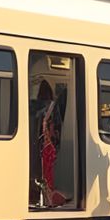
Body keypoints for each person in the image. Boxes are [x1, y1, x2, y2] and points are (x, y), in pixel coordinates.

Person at [33, 79, 68, 209]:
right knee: (50, 174)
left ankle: (46, 198)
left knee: (44, 173)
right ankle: (50, 199)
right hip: (50, 145)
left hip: (42, 144)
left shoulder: (37, 108)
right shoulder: (53, 107)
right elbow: (56, 127)